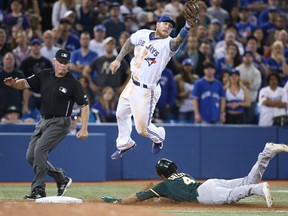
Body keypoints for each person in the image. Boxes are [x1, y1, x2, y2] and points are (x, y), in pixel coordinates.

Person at [3, 49, 89, 199]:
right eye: (60, 62)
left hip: (60, 122)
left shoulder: (73, 83)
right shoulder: (44, 74)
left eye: (66, 63)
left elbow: (85, 105)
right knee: (31, 156)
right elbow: (25, 83)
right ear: (55, 61)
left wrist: (84, 128)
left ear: (68, 64)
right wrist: (13, 84)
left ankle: (38, 190)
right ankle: (60, 177)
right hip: (43, 121)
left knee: (40, 151)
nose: (63, 66)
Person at [109, 14, 198, 159]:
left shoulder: (168, 44)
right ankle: (125, 143)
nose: (168, 27)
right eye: (165, 24)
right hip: (132, 82)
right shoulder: (143, 34)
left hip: (146, 90)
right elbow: (129, 42)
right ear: (157, 24)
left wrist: (186, 27)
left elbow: (177, 42)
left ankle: (159, 137)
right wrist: (118, 59)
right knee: (121, 114)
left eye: (170, 27)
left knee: (142, 130)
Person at [103, 142, 288, 207]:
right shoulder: (182, 175)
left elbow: (138, 197)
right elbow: (174, 195)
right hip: (208, 184)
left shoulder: (164, 185)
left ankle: (258, 189)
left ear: (161, 175)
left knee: (234, 196)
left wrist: (119, 201)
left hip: (204, 194)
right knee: (248, 179)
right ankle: (267, 153)